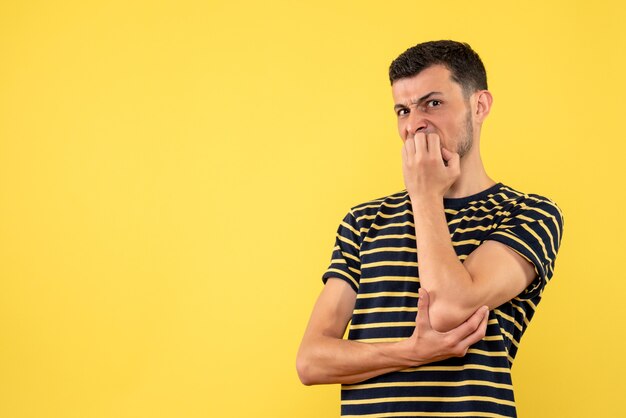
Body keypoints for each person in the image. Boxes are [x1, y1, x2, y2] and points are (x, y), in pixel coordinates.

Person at [296, 40, 564, 417]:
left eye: (432, 103)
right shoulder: (363, 222)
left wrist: (424, 196)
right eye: (403, 110)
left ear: (480, 106)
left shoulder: (528, 213)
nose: (413, 124)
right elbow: (311, 361)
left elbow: (449, 309)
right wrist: (413, 351)